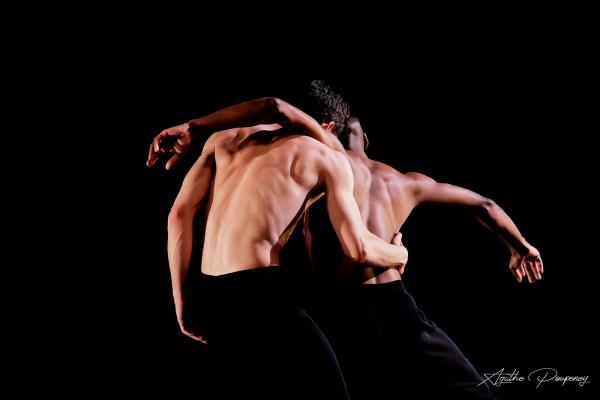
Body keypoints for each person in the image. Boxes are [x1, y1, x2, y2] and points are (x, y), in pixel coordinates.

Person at [147, 96, 408, 399]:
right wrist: (399, 253)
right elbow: (358, 248)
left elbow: (178, 215)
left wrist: (182, 303)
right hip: (260, 295)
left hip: (213, 296)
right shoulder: (325, 156)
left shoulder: (222, 140)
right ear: (328, 127)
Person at [302, 114, 543, 399]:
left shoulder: (321, 171)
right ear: (365, 140)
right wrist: (520, 246)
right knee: (471, 391)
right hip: (395, 306)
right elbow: (484, 204)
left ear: (329, 134)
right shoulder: (405, 182)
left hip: (341, 310)